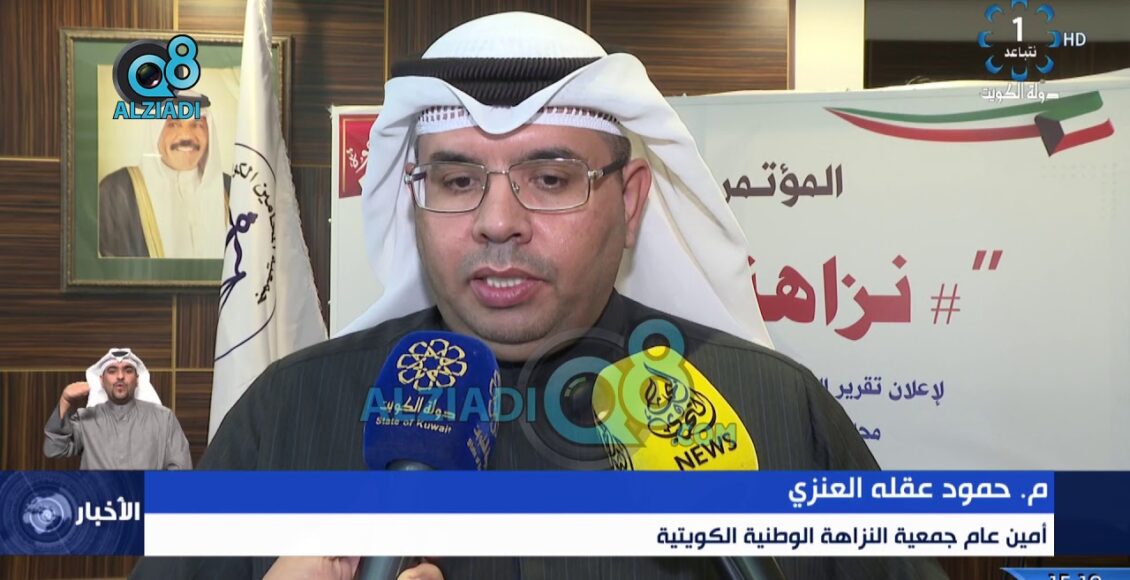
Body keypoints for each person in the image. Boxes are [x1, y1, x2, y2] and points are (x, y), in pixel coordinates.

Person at [132, 12, 947, 580]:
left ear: (630, 202)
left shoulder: (773, 410)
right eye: (458, 180)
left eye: (551, 178)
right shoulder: (286, 414)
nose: (497, 222)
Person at [99, 92, 231, 259]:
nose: (186, 136)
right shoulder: (116, 192)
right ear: (156, 131)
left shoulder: (231, 190)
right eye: (173, 124)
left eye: (197, 124)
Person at [44, 348, 192, 470]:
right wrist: (65, 401)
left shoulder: (163, 419)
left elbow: (181, 472)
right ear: (101, 380)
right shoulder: (85, 420)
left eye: (128, 370)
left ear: (137, 379)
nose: (120, 376)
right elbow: (54, 449)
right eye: (112, 370)